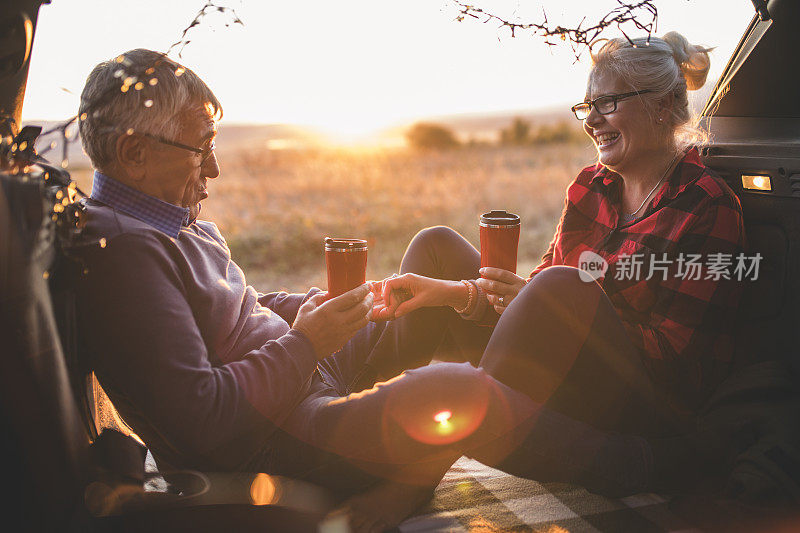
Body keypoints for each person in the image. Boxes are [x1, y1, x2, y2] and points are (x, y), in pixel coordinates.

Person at [74, 46, 738, 533]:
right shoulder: (128, 250)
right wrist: (310, 341)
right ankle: (583, 450)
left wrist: (303, 309)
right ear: (134, 153)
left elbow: (234, 310)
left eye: (607, 104)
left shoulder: (163, 219)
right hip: (274, 428)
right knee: (455, 367)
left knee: (453, 272)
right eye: (200, 148)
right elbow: (205, 418)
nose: (214, 167)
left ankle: (440, 452)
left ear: (663, 109)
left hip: (634, 385)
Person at [378, 31, 746, 441]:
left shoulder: (708, 205)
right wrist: (458, 294)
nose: (591, 121)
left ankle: (415, 471)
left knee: (562, 286)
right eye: (589, 106)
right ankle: (369, 432)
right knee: (436, 245)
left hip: (640, 416)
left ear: (660, 106)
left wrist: (565, 313)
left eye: (607, 103)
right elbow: (530, 299)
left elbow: (676, 363)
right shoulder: (590, 186)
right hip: (554, 365)